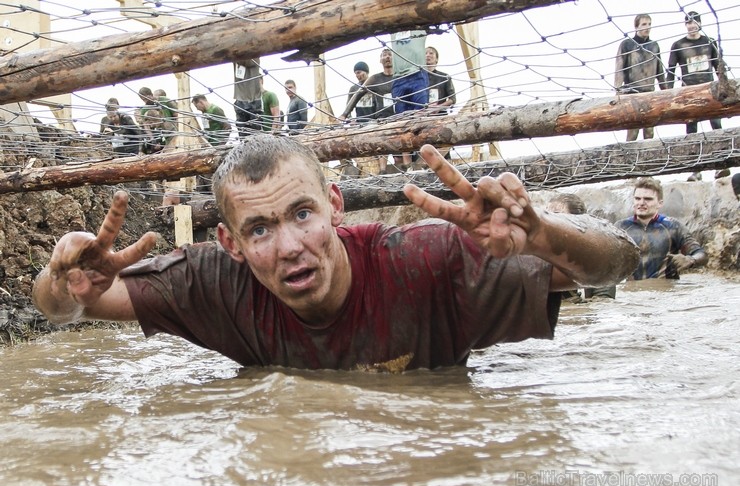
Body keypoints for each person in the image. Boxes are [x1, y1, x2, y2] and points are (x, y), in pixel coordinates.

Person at [32, 135, 639, 372]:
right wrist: (66, 283)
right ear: (231, 245)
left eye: (302, 215)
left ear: (335, 207)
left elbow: (621, 260)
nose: (292, 245)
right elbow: (63, 311)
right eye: (261, 229)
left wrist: (541, 235)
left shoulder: (427, 259)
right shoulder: (209, 283)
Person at [667, 11, 728, 181]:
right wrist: (667, 93)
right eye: (689, 23)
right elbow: (670, 71)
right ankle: (696, 170)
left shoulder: (709, 42)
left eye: (695, 22)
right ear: (685, 25)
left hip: (710, 91)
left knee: (716, 127)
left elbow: (719, 67)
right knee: (692, 131)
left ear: (700, 24)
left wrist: (725, 89)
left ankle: (721, 166)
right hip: (688, 93)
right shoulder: (678, 45)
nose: (692, 26)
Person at [615, 177, 707, 280]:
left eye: (648, 199)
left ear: (660, 203)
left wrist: (691, 260)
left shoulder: (673, 226)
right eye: (637, 198)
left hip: (666, 292)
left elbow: (701, 254)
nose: (641, 203)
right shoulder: (621, 227)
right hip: (632, 292)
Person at [546, 193, 616, 300]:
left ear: (578, 222)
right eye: (547, 215)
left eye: (557, 216)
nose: (549, 221)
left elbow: (604, 303)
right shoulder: (537, 257)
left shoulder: (598, 257)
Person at [339, 49, 396, 174]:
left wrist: (376, 117)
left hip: (376, 118)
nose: (358, 75)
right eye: (356, 73)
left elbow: (378, 102)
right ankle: (362, 169)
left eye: (359, 72)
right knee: (364, 148)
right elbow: (352, 101)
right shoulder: (354, 88)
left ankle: (390, 169)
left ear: (366, 72)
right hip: (360, 121)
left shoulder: (375, 83)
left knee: (386, 144)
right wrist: (346, 115)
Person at [614, 13, 667, 141]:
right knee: (633, 131)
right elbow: (619, 68)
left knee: (649, 131)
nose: (647, 27)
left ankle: (649, 159)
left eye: (649, 24)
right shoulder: (627, 44)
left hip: (650, 93)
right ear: (636, 26)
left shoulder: (654, 46)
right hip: (632, 93)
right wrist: (617, 91)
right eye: (644, 24)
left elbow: (660, 70)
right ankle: (629, 158)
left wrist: (665, 91)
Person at [391, 30, 429, 170]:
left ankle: (422, 160)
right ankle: (407, 165)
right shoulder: (393, 29)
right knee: (402, 121)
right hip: (398, 77)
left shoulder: (418, 28)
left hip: (417, 73)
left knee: (421, 117)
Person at [232, 58, 263, 138]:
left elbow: (249, 63)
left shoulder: (254, 57)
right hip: (241, 99)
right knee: (243, 134)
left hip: (253, 99)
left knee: (255, 134)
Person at [424, 46, 456, 115]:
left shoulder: (444, 77)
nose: (428, 55)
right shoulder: (417, 79)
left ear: (436, 59)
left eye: (431, 53)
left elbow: (453, 99)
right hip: (421, 116)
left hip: (440, 116)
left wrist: (439, 107)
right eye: (425, 53)